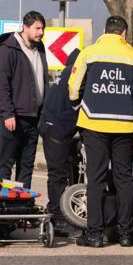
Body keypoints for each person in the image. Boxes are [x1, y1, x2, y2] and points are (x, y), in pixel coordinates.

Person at [68, 16, 133, 248]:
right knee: (123, 178)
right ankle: (125, 234)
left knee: (95, 179)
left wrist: (81, 105)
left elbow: (73, 89)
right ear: (124, 33)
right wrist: (129, 102)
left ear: (105, 31)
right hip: (124, 125)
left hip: (94, 124)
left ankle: (95, 235)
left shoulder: (89, 53)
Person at [0, 10, 48, 189]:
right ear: (25, 27)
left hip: (33, 117)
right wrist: (8, 113)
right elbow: (2, 85)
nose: (41, 32)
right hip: (13, 117)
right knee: (6, 163)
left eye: (42, 28)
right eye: (37, 28)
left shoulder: (40, 48)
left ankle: (22, 200)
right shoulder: (9, 49)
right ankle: (2, 200)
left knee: (26, 164)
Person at [40, 48, 81, 235]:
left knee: (58, 172)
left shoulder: (65, 73)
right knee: (58, 174)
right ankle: (57, 217)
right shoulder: (76, 74)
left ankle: (56, 211)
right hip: (57, 127)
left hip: (49, 124)